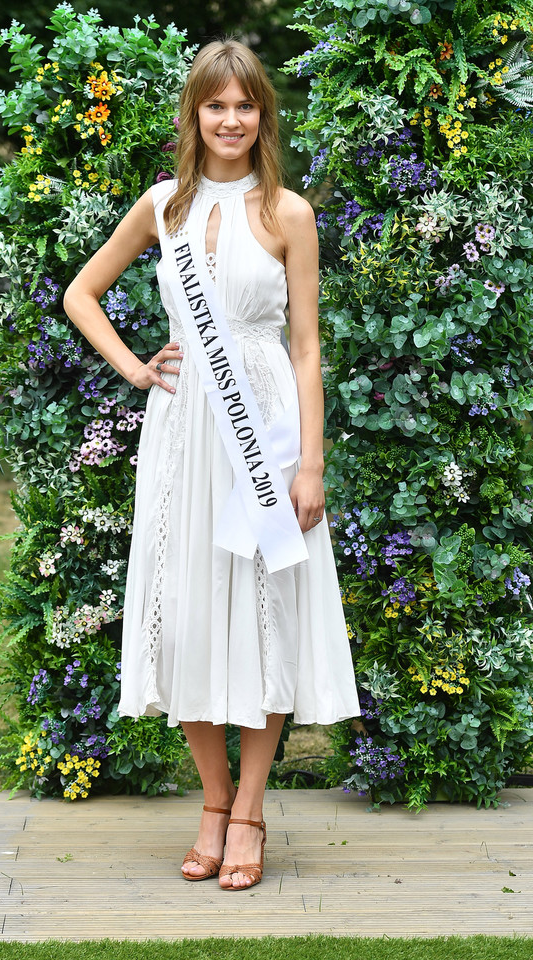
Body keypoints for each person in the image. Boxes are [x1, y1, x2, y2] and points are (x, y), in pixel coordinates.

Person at [64, 39, 360, 891]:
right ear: (194, 115)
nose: (230, 120)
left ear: (263, 114)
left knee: (266, 616)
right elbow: (82, 293)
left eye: (245, 105)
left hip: (263, 426)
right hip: (186, 429)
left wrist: (311, 462)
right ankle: (213, 801)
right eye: (214, 105)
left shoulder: (289, 213)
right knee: (188, 612)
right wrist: (134, 368)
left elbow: (306, 348)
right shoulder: (163, 207)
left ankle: (252, 813)